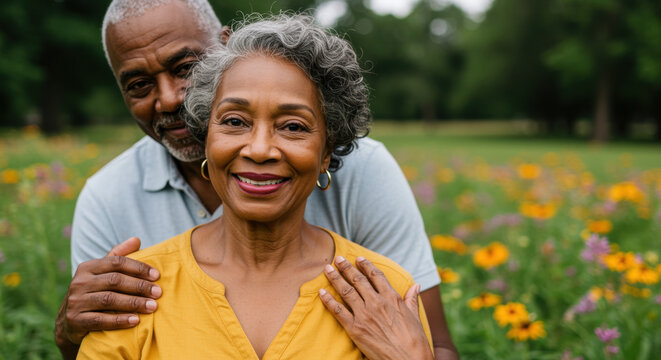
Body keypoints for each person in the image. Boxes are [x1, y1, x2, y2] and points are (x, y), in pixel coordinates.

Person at [55, 1, 458, 359]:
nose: (170, 99)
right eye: (233, 122)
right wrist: (69, 333)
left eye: (184, 69)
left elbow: (432, 345)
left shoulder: (374, 208)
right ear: (207, 132)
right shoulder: (110, 206)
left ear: (328, 153)